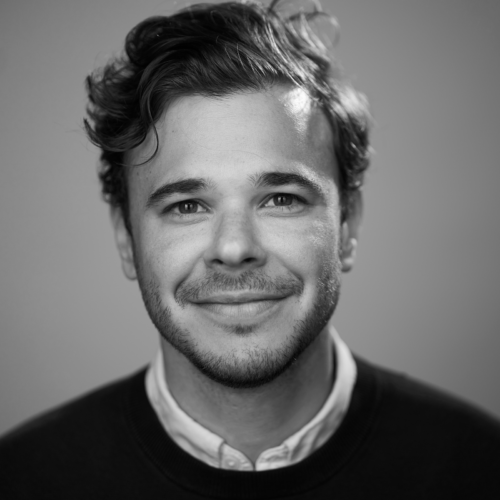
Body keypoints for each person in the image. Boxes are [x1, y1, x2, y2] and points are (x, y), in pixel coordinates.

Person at [0, 1, 499, 498]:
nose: (234, 248)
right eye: (188, 206)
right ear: (126, 239)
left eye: (281, 199)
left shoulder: (479, 467)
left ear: (348, 224)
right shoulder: (23, 479)